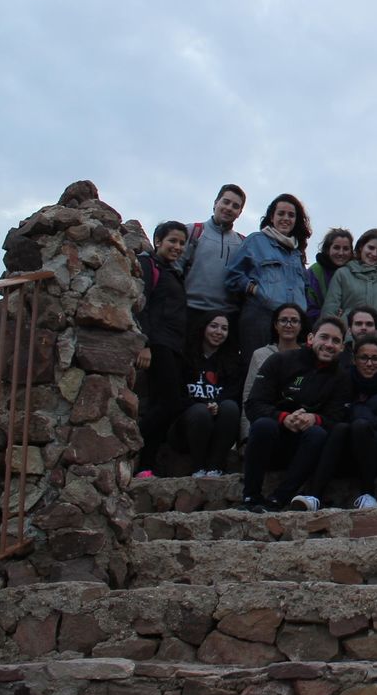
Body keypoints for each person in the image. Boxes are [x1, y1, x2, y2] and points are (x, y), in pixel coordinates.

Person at [242, 315, 351, 511]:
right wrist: (283, 418)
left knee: (317, 433)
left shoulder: (341, 378)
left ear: (342, 347)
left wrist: (314, 418)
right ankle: (250, 496)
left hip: (307, 449)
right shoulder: (279, 360)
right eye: (324, 337)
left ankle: (279, 499)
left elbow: (337, 419)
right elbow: (253, 404)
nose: (329, 344)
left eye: (336, 341)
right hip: (271, 440)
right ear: (310, 338)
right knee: (262, 425)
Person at [316, 331, 377, 509]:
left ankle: (368, 494)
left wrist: (373, 432)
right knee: (342, 428)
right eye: (364, 358)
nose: (369, 363)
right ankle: (314, 495)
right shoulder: (342, 383)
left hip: (375, 454)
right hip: (342, 451)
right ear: (354, 360)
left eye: (375, 358)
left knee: (360, 426)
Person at [226, 193, 312, 366]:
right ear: (272, 217)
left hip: (292, 325)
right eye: (281, 214)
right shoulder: (256, 241)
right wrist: (254, 290)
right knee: (258, 371)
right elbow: (232, 275)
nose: (285, 218)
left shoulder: (297, 253)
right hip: (261, 318)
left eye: (291, 215)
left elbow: (305, 287)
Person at [134, 221, 189, 478]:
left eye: (181, 243)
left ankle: (145, 466)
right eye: (172, 241)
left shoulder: (174, 272)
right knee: (169, 403)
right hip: (157, 344)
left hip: (174, 345)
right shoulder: (148, 265)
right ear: (158, 241)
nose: (177, 247)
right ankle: (136, 450)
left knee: (163, 403)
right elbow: (141, 305)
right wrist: (144, 344)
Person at [166, 311, 244, 478]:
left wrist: (217, 403)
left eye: (224, 328)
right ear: (204, 327)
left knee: (230, 407)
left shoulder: (233, 362)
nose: (218, 332)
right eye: (214, 326)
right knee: (200, 412)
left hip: (218, 426)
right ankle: (198, 467)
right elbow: (176, 396)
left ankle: (215, 467)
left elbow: (234, 393)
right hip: (185, 427)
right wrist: (201, 404)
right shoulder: (184, 356)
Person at [179, 184, 246, 325]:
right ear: (216, 203)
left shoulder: (243, 244)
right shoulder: (192, 231)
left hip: (226, 319)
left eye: (235, 206)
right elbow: (173, 269)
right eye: (226, 202)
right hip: (189, 312)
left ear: (240, 212)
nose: (229, 208)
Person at [241, 303, 306, 439]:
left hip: (299, 422)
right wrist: (246, 436)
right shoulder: (260, 354)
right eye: (283, 320)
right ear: (275, 325)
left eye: (294, 321)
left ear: (301, 326)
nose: (288, 325)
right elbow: (248, 395)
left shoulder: (308, 356)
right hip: (266, 419)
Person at [322, 229, 377, 332]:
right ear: (361, 247)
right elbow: (330, 310)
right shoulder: (343, 274)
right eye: (371, 248)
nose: (374, 254)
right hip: (347, 339)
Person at [305, 228, 354, 326]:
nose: (341, 253)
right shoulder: (315, 272)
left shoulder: (356, 272)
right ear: (327, 249)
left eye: (345, 249)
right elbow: (309, 306)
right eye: (336, 247)